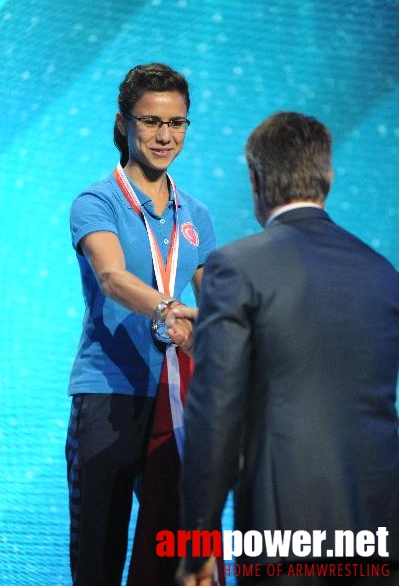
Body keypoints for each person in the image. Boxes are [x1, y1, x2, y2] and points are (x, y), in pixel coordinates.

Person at [176, 112, 399, 585]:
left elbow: (216, 411)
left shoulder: (236, 267)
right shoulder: (384, 275)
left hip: (285, 531)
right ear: (328, 176)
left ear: (256, 179)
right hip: (381, 525)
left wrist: (199, 541)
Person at [65, 62, 216, 586]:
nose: (164, 135)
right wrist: (166, 310)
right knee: (98, 561)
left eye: (176, 124)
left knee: (176, 556)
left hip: (176, 400)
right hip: (109, 396)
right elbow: (111, 276)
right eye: (151, 122)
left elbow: (214, 302)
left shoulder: (194, 214)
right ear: (124, 123)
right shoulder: (96, 202)